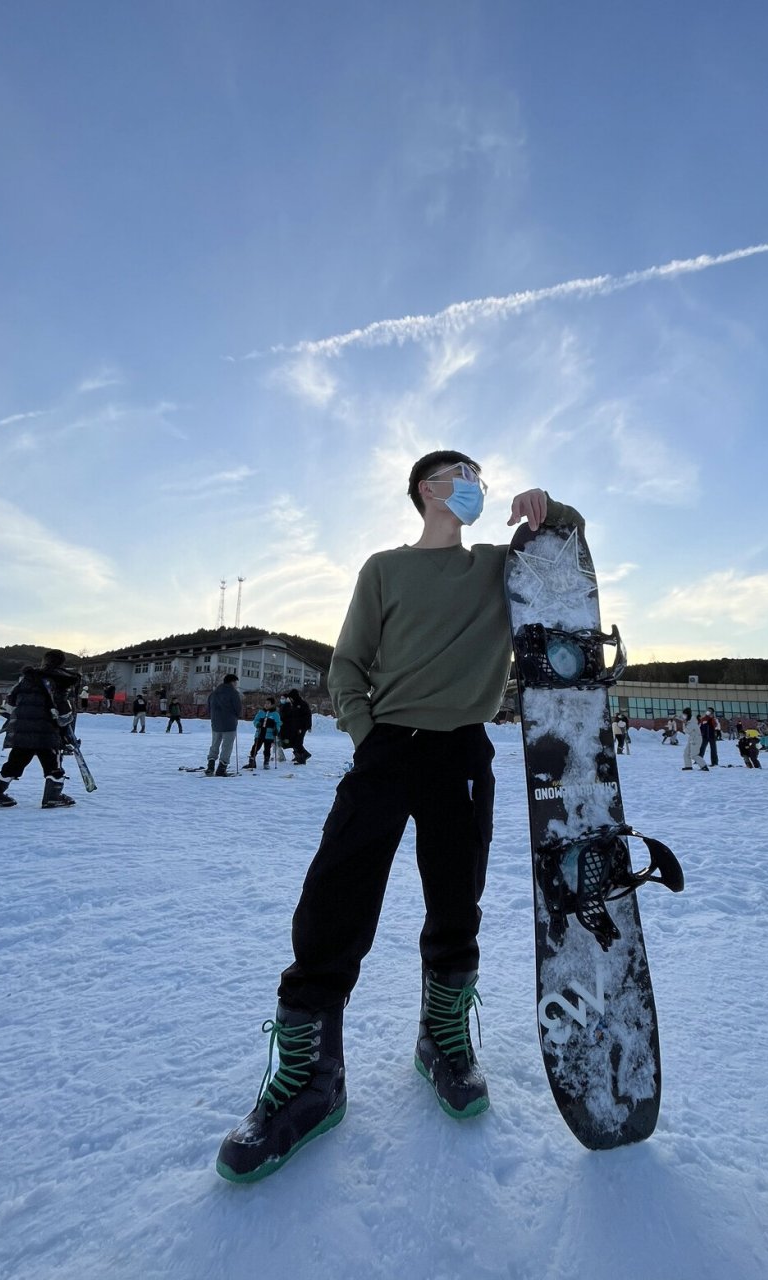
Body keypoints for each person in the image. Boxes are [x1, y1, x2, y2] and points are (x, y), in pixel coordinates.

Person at [216, 451, 583, 1183]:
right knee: (335, 896)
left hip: (463, 755)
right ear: (427, 489)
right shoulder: (383, 568)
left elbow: (566, 558)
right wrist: (364, 732)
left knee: (457, 897)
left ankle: (441, 1041)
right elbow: (347, 664)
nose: (476, 485)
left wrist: (553, 507)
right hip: (388, 749)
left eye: (481, 475)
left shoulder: (494, 568)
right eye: (462, 474)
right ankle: (312, 1079)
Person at [0, 649, 81, 809]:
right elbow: (64, 714)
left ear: (44, 661)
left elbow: (9, 706)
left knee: (14, 763)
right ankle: (53, 797)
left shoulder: (26, 679)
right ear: (61, 663)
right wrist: (67, 730)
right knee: (53, 766)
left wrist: (15, 719)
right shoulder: (59, 680)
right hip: (47, 735)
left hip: (21, 733)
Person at [206, 673, 242, 776]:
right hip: (229, 724)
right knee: (227, 746)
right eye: (235, 682)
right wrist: (236, 716)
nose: (236, 684)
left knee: (214, 745)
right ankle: (222, 768)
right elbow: (238, 708)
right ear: (232, 682)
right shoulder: (233, 693)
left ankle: (210, 765)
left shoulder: (214, 693)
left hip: (216, 723)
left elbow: (208, 707)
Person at [244, 698, 283, 769]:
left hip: (269, 734)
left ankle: (266, 761)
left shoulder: (275, 714)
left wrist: (276, 730)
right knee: (255, 747)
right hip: (260, 733)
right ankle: (252, 761)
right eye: (265, 703)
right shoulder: (261, 712)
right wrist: (257, 724)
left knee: (267, 748)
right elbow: (256, 720)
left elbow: (278, 723)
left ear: (272, 705)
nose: (266, 705)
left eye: (268, 703)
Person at [280, 689, 313, 765]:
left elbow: (308, 716)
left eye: (291, 697)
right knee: (294, 742)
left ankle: (302, 758)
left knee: (298, 743)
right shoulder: (293, 704)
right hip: (295, 727)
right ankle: (301, 755)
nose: (290, 699)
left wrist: (308, 726)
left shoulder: (302, 704)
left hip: (302, 727)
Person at [681, 707, 709, 772]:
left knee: (694, 755)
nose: (683, 716)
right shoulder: (689, 721)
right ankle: (688, 766)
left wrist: (684, 723)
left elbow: (686, 731)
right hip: (691, 738)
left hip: (696, 739)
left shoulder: (692, 722)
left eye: (684, 714)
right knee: (686, 753)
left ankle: (704, 766)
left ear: (687, 714)